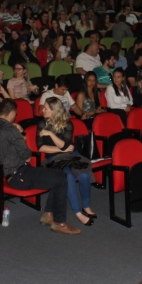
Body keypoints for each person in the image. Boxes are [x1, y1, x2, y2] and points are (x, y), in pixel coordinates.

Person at [0, 99, 81, 235]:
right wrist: (21, 136)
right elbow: (28, 156)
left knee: (57, 175)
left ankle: (48, 214)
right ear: (12, 113)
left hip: (8, 172)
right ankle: (59, 223)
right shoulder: (11, 130)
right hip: (19, 175)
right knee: (61, 178)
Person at [36, 97, 96, 227]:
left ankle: (86, 206)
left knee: (84, 175)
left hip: (70, 155)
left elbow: (65, 145)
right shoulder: (42, 124)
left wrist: (51, 134)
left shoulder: (68, 124)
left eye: (46, 108)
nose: (42, 110)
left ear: (54, 110)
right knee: (68, 176)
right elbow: (41, 148)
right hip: (53, 158)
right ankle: (78, 212)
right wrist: (61, 149)